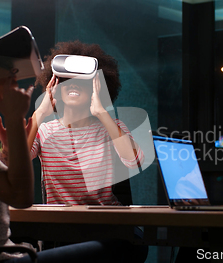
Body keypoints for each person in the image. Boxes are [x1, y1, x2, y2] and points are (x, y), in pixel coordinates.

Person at [0, 33, 147, 263]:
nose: (13, 73)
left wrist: (100, 113)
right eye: (3, 65)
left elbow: (135, 161)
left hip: (4, 253)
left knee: (120, 244)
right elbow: (20, 194)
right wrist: (25, 120)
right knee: (119, 249)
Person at [25, 41, 144, 206]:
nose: (72, 83)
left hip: (104, 224)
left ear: (96, 87)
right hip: (59, 226)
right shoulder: (44, 131)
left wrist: (102, 114)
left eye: (82, 79)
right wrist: (39, 114)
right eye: (66, 78)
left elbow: (136, 161)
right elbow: (15, 162)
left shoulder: (111, 127)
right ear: (55, 85)